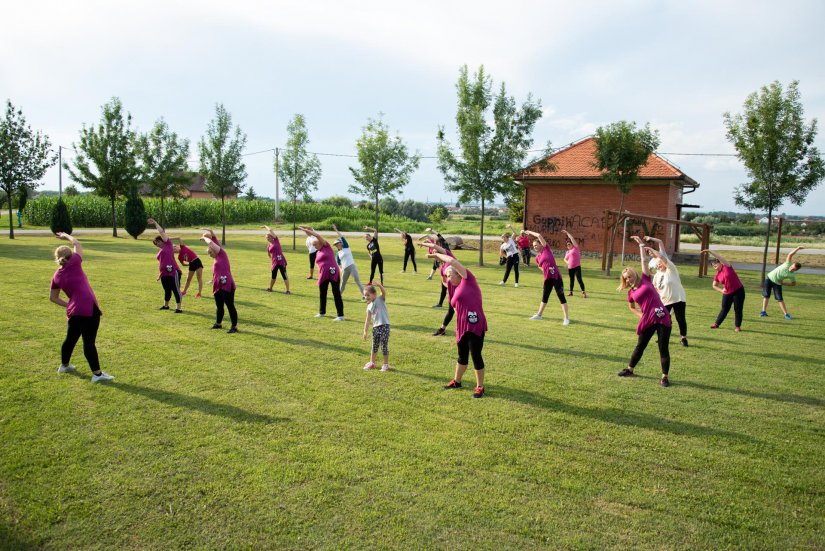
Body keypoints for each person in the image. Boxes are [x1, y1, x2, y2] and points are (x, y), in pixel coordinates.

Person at [50, 233, 114, 382]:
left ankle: (64, 366)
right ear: (70, 256)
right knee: (88, 342)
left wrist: (70, 304)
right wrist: (66, 235)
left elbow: (52, 297)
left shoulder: (56, 275)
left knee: (70, 339)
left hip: (74, 311)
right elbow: (77, 244)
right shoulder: (74, 262)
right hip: (87, 308)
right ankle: (97, 375)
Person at [616, 236, 672, 387]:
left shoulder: (646, 280)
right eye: (626, 278)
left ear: (635, 274)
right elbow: (631, 307)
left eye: (630, 276)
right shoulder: (630, 294)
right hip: (648, 319)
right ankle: (630, 369)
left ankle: (664, 377)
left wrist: (641, 245)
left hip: (662, 316)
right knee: (640, 345)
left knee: (663, 347)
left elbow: (644, 261)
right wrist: (642, 315)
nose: (629, 279)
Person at [430, 252, 487, 398]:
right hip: (461, 326)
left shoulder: (468, 280)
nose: (448, 279)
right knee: (462, 355)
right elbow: (455, 307)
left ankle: (480, 386)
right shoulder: (454, 288)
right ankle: (457, 381)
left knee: (475, 355)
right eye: (447, 276)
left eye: (450, 276)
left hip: (474, 324)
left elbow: (451, 260)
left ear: (458, 274)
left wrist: (435, 253)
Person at [645, 236, 688, 347]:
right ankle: (662, 338)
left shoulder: (671, 269)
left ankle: (683, 338)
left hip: (678, 298)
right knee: (663, 319)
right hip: (665, 301)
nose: (659, 265)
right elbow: (655, 289)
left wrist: (650, 248)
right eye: (657, 264)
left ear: (665, 263)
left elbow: (661, 257)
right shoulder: (657, 276)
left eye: (660, 263)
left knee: (680, 319)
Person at [524, 230, 569, 325]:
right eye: (534, 245)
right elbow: (540, 266)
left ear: (541, 244)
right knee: (545, 297)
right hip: (547, 278)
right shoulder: (537, 257)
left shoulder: (546, 249)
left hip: (556, 277)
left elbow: (539, 235)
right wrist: (545, 271)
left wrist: (528, 232)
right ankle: (539, 315)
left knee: (561, 297)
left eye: (536, 245)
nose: (534, 247)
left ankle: (566, 319)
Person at [301, 226, 345, 320]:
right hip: (323, 275)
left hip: (333, 272)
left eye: (315, 244)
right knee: (322, 293)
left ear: (320, 243)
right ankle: (322, 312)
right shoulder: (318, 252)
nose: (314, 246)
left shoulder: (326, 246)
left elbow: (317, 235)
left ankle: (340, 315)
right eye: (313, 245)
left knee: (336, 293)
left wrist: (306, 230)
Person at [202, 229, 238, 333]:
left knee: (230, 305)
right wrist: (212, 280)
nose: (210, 255)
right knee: (219, 306)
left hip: (227, 284)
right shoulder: (216, 259)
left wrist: (205, 237)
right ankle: (218, 323)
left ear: (215, 250)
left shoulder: (222, 254)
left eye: (210, 252)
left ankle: (234, 326)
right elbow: (214, 240)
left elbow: (212, 242)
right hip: (218, 285)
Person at [418, 239, 456, 335]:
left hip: (461, 289)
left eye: (436, 254)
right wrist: (449, 286)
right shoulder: (442, 267)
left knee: (459, 311)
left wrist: (423, 243)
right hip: (453, 292)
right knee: (451, 311)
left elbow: (435, 246)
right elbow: (444, 282)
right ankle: (442, 329)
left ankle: (468, 329)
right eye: (434, 255)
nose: (435, 256)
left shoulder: (449, 257)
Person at [703, 250, 745, 332]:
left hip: (738, 291)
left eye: (715, 264)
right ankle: (716, 324)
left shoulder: (727, 266)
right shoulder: (717, 274)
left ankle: (737, 326)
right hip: (727, 293)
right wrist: (721, 290)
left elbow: (720, 257)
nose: (714, 266)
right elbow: (714, 285)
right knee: (724, 309)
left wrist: (709, 251)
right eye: (713, 266)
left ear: (720, 263)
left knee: (738, 309)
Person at [761, 246, 804, 320]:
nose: (791, 268)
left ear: (796, 270)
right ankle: (763, 312)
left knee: (780, 299)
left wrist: (784, 283)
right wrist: (798, 248)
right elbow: (790, 254)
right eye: (792, 266)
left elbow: (794, 283)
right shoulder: (787, 264)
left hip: (777, 283)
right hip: (769, 279)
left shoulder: (792, 275)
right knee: (766, 296)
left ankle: (786, 314)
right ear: (792, 264)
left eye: (793, 269)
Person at [149, 218, 182, 313]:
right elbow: (162, 263)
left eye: (158, 242)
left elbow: (161, 232)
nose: (157, 245)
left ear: (162, 240)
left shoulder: (168, 244)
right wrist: (160, 274)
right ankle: (166, 305)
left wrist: (155, 223)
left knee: (175, 289)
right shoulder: (160, 251)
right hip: (164, 274)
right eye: (156, 244)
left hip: (173, 272)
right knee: (167, 290)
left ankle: (178, 308)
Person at [362, 282, 391, 372]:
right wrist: (365, 332)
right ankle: (372, 363)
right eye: (365, 295)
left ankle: (385, 364)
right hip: (376, 328)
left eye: (368, 295)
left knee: (383, 346)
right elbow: (367, 320)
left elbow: (383, 292)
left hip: (384, 326)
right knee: (374, 346)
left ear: (374, 294)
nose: (366, 297)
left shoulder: (380, 299)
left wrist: (379, 285)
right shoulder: (369, 306)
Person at [331, 224, 365, 299]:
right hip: (345, 269)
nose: (337, 245)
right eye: (336, 244)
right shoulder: (337, 254)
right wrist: (341, 269)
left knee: (357, 281)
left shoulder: (346, 247)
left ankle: (364, 296)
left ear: (341, 243)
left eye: (337, 243)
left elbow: (341, 236)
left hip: (352, 267)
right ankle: (338, 296)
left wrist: (335, 229)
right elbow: (338, 263)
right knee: (343, 283)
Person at [263, 225, 290, 294]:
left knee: (284, 275)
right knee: (273, 276)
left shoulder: (276, 240)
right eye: (267, 238)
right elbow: (269, 254)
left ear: (272, 237)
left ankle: (288, 290)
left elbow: (270, 230)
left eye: (269, 237)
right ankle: (270, 288)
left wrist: (265, 226)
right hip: (274, 263)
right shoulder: (269, 245)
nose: (268, 238)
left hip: (281, 261)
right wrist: (272, 259)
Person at [562, 229, 586, 298]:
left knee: (579, 279)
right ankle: (571, 292)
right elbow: (564, 259)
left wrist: (567, 233)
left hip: (577, 267)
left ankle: (583, 292)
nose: (568, 246)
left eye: (569, 244)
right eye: (567, 245)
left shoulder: (575, 248)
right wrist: (567, 262)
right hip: (570, 268)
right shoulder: (567, 252)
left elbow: (572, 238)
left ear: (572, 244)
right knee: (571, 280)